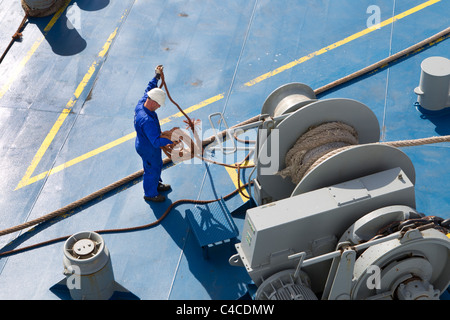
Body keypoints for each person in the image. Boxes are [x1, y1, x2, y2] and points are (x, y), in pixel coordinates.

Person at [134, 65, 174, 202]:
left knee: (156, 166)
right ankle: (150, 194)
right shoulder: (147, 121)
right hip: (149, 148)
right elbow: (156, 142)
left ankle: (157, 184)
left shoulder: (143, 102)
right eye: (158, 105)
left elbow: (149, 89)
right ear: (152, 102)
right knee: (151, 169)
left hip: (144, 144)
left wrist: (157, 76)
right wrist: (172, 140)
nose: (158, 107)